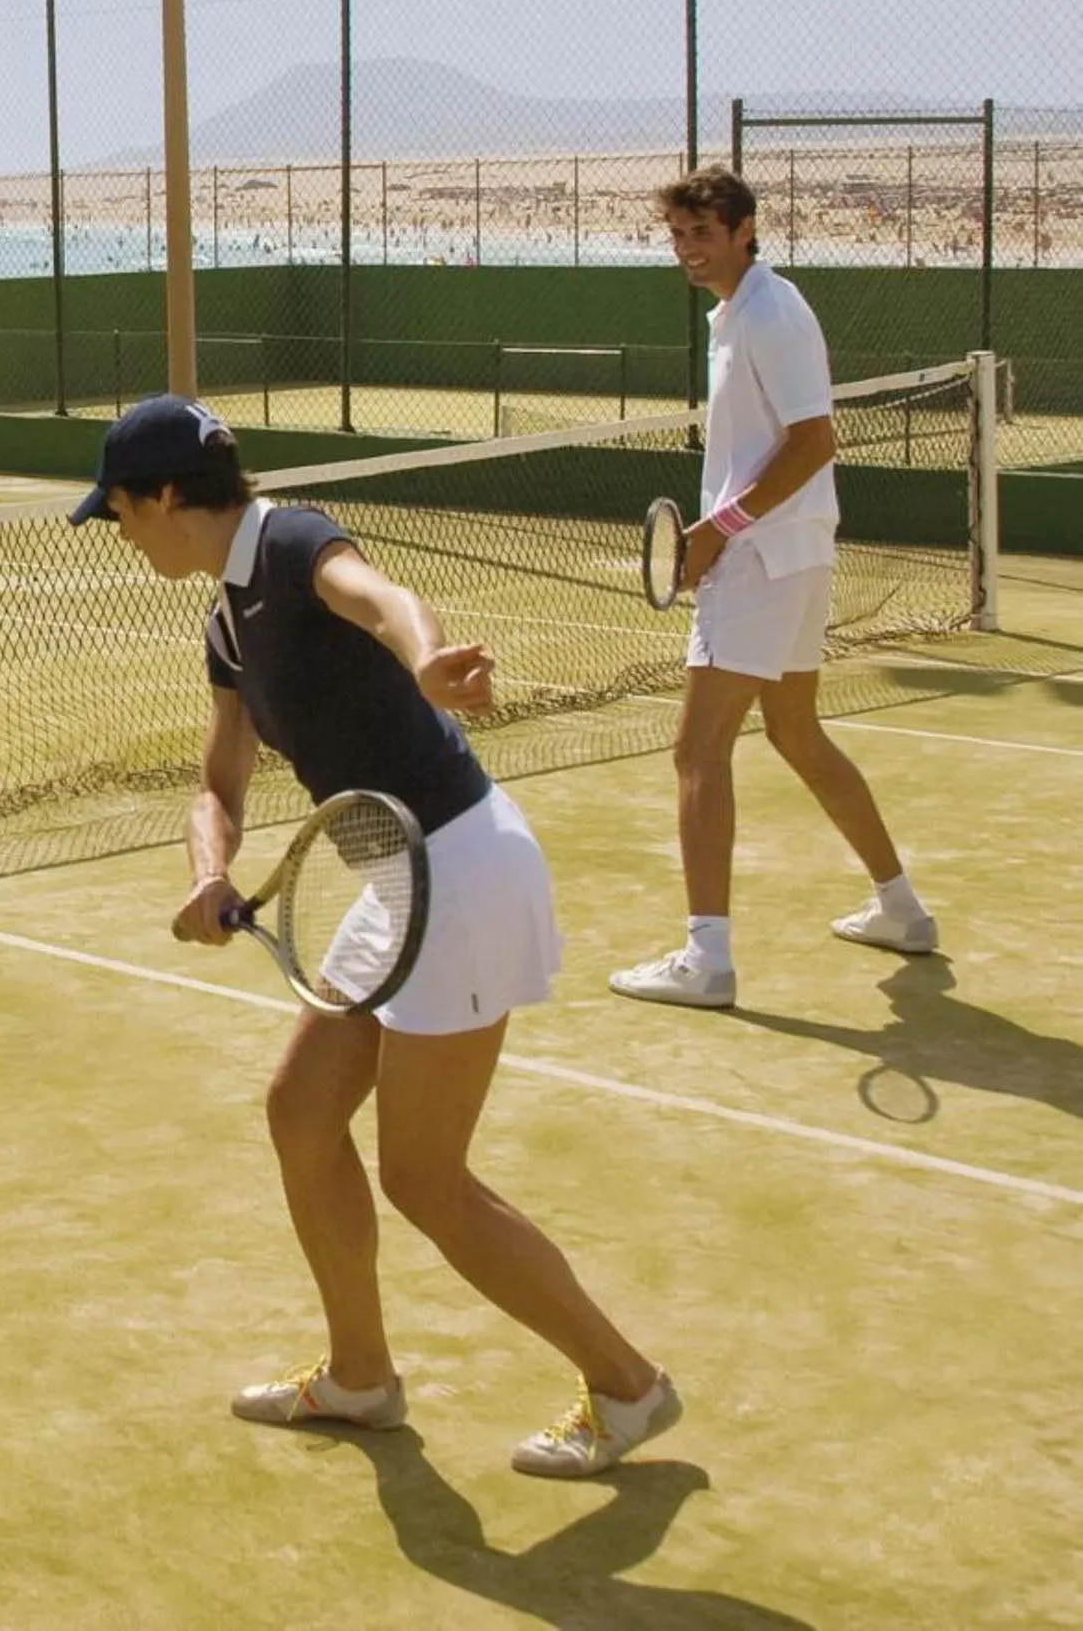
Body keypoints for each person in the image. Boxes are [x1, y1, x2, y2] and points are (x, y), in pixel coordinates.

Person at [74, 394, 677, 1477]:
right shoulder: (224, 620)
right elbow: (219, 775)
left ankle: (628, 1385)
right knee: (302, 1112)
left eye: (119, 512)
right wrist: (209, 871)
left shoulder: (294, 541)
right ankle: (361, 1377)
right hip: (395, 878)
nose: (120, 534)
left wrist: (427, 659)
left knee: (426, 1178)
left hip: (463, 864)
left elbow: (383, 597)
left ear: (165, 497)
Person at [609, 168, 936, 1010]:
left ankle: (706, 959)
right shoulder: (737, 315)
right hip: (790, 553)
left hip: (763, 559)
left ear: (745, 229)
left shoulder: (772, 313)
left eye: (702, 233)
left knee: (696, 751)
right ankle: (902, 908)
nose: (687, 249)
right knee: (796, 731)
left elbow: (814, 441)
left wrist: (721, 530)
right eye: (677, 235)